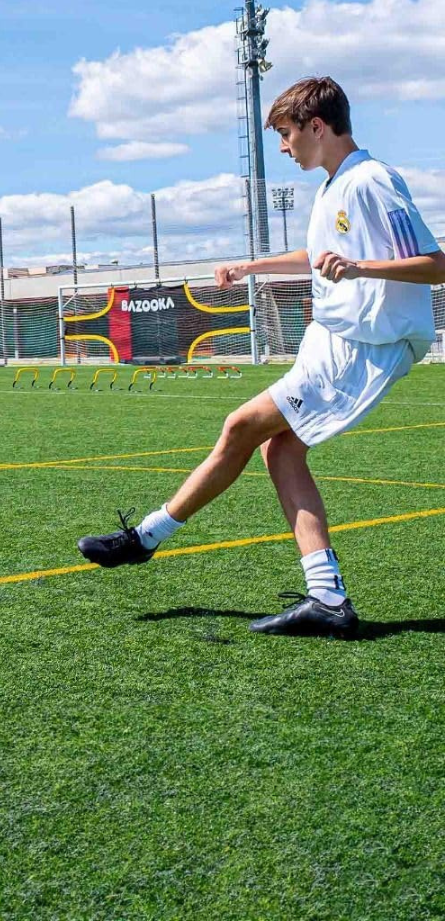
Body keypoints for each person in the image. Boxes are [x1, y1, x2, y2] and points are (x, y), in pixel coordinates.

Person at [76, 76, 445, 638]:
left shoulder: (371, 180)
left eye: (287, 134)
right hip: (335, 340)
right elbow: (317, 255)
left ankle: (146, 537)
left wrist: (360, 268)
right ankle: (327, 597)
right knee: (281, 452)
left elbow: (435, 264)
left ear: (317, 126)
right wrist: (250, 267)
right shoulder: (335, 185)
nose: (284, 147)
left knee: (240, 426)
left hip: (360, 345)